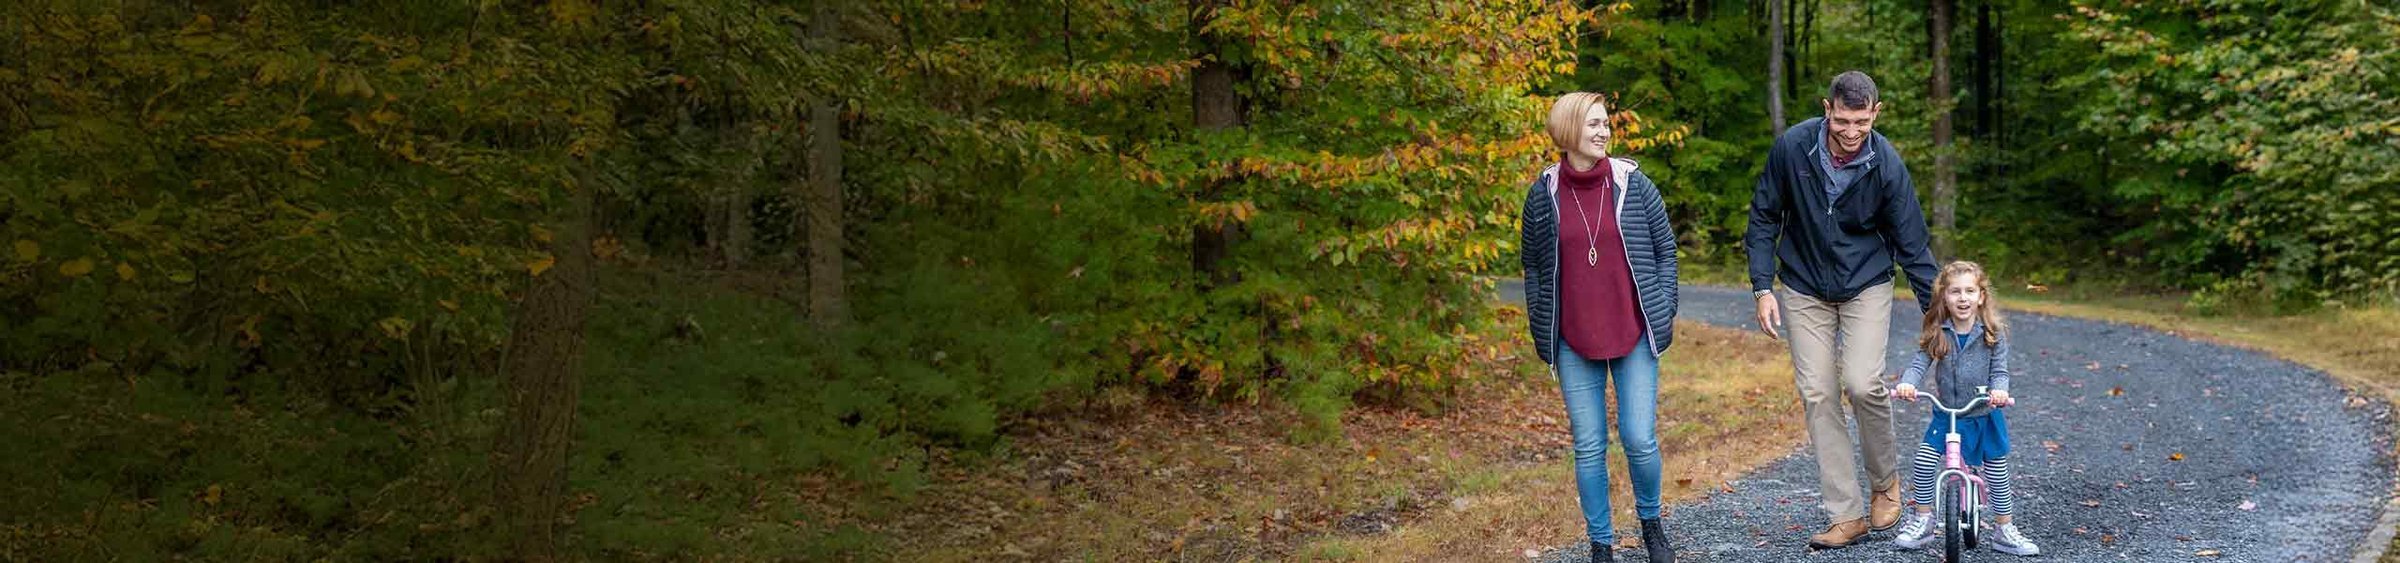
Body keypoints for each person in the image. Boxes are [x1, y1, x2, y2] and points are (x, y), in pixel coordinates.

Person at [1744, 70, 1942, 549]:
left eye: (1861, 121)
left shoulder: (1887, 165)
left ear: (1876, 112)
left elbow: (1912, 245)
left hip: (1866, 284)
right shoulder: (1793, 148)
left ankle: (1885, 485)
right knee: (1817, 393)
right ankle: (1846, 514)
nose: (1851, 132)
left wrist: (1939, 318)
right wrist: (1761, 287)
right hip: (1803, 285)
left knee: (1861, 382)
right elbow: (1764, 215)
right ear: (1826, 109)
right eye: (1842, 121)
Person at [1518, 91, 1682, 563]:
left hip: (1633, 331)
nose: (1603, 131)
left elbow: (1664, 250)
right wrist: (1541, 324)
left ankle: (1652, 526)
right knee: (1589, 446)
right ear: (1569, 131)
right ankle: (1601, 545)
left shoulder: (1634, 184)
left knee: (1638, 437)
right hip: (1573, 338)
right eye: (1593, 124)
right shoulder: (1542, 195)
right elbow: (1532, 265)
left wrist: (1664, 306)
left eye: (1605, 123)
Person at [1890, 260, 2042, 556]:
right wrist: (1907, 384)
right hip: (1947, 416)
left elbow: (2000, 372)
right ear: (1944, 296)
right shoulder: (1938, 332)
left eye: (1970, 291)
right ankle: (1922, 519)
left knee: (1997, 472)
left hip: (1984, 414)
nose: (1963, 298)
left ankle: (2004, 529)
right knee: (1923, 461)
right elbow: (1919, 363)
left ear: (1981, 296)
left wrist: (2000, 391)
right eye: (1955, 291)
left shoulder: (1992, 333)